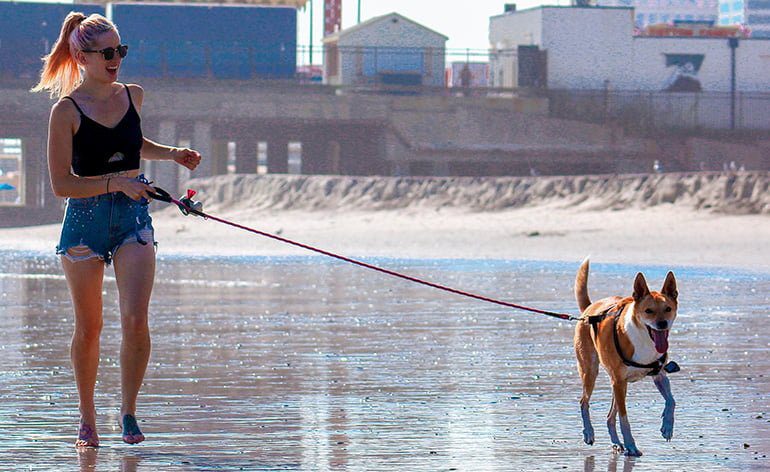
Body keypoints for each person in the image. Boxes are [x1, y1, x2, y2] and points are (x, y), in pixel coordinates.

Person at [32, 12, 201, 448]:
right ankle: (87, 417)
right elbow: (60, 184)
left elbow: (132, 142)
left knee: (135, 320)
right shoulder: (64, 111)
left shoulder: (133, 95)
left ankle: (127, 412)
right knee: (89, 328)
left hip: (133, 219)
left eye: (120, 51)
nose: (115, 60)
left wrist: (172, 154)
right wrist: (115, 182)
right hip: (84, 222)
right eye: (107, 52)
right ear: (81, 56)